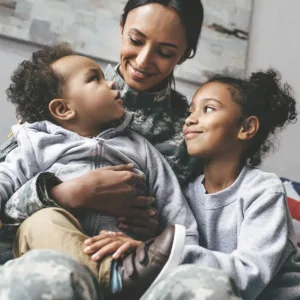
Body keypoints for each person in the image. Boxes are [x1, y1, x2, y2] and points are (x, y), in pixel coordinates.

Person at [1, 42, 199, 299]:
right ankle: (110, 275)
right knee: (42, 221)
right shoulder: (36, 143)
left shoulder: (140, 148)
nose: (112, 83)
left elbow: (181, 225)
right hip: (57, 265)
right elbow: (5, 180)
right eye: (95, 79)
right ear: (63, 109)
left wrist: (148, 241)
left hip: (123, 256)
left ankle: (115, 275)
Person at [175, 69, 300, 300]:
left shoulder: (263, 190)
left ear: (246, 128)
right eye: (190, 111)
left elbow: (248, 275)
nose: (190, 119)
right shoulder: (183, 193)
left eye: (208, 109)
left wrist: (166, 256)